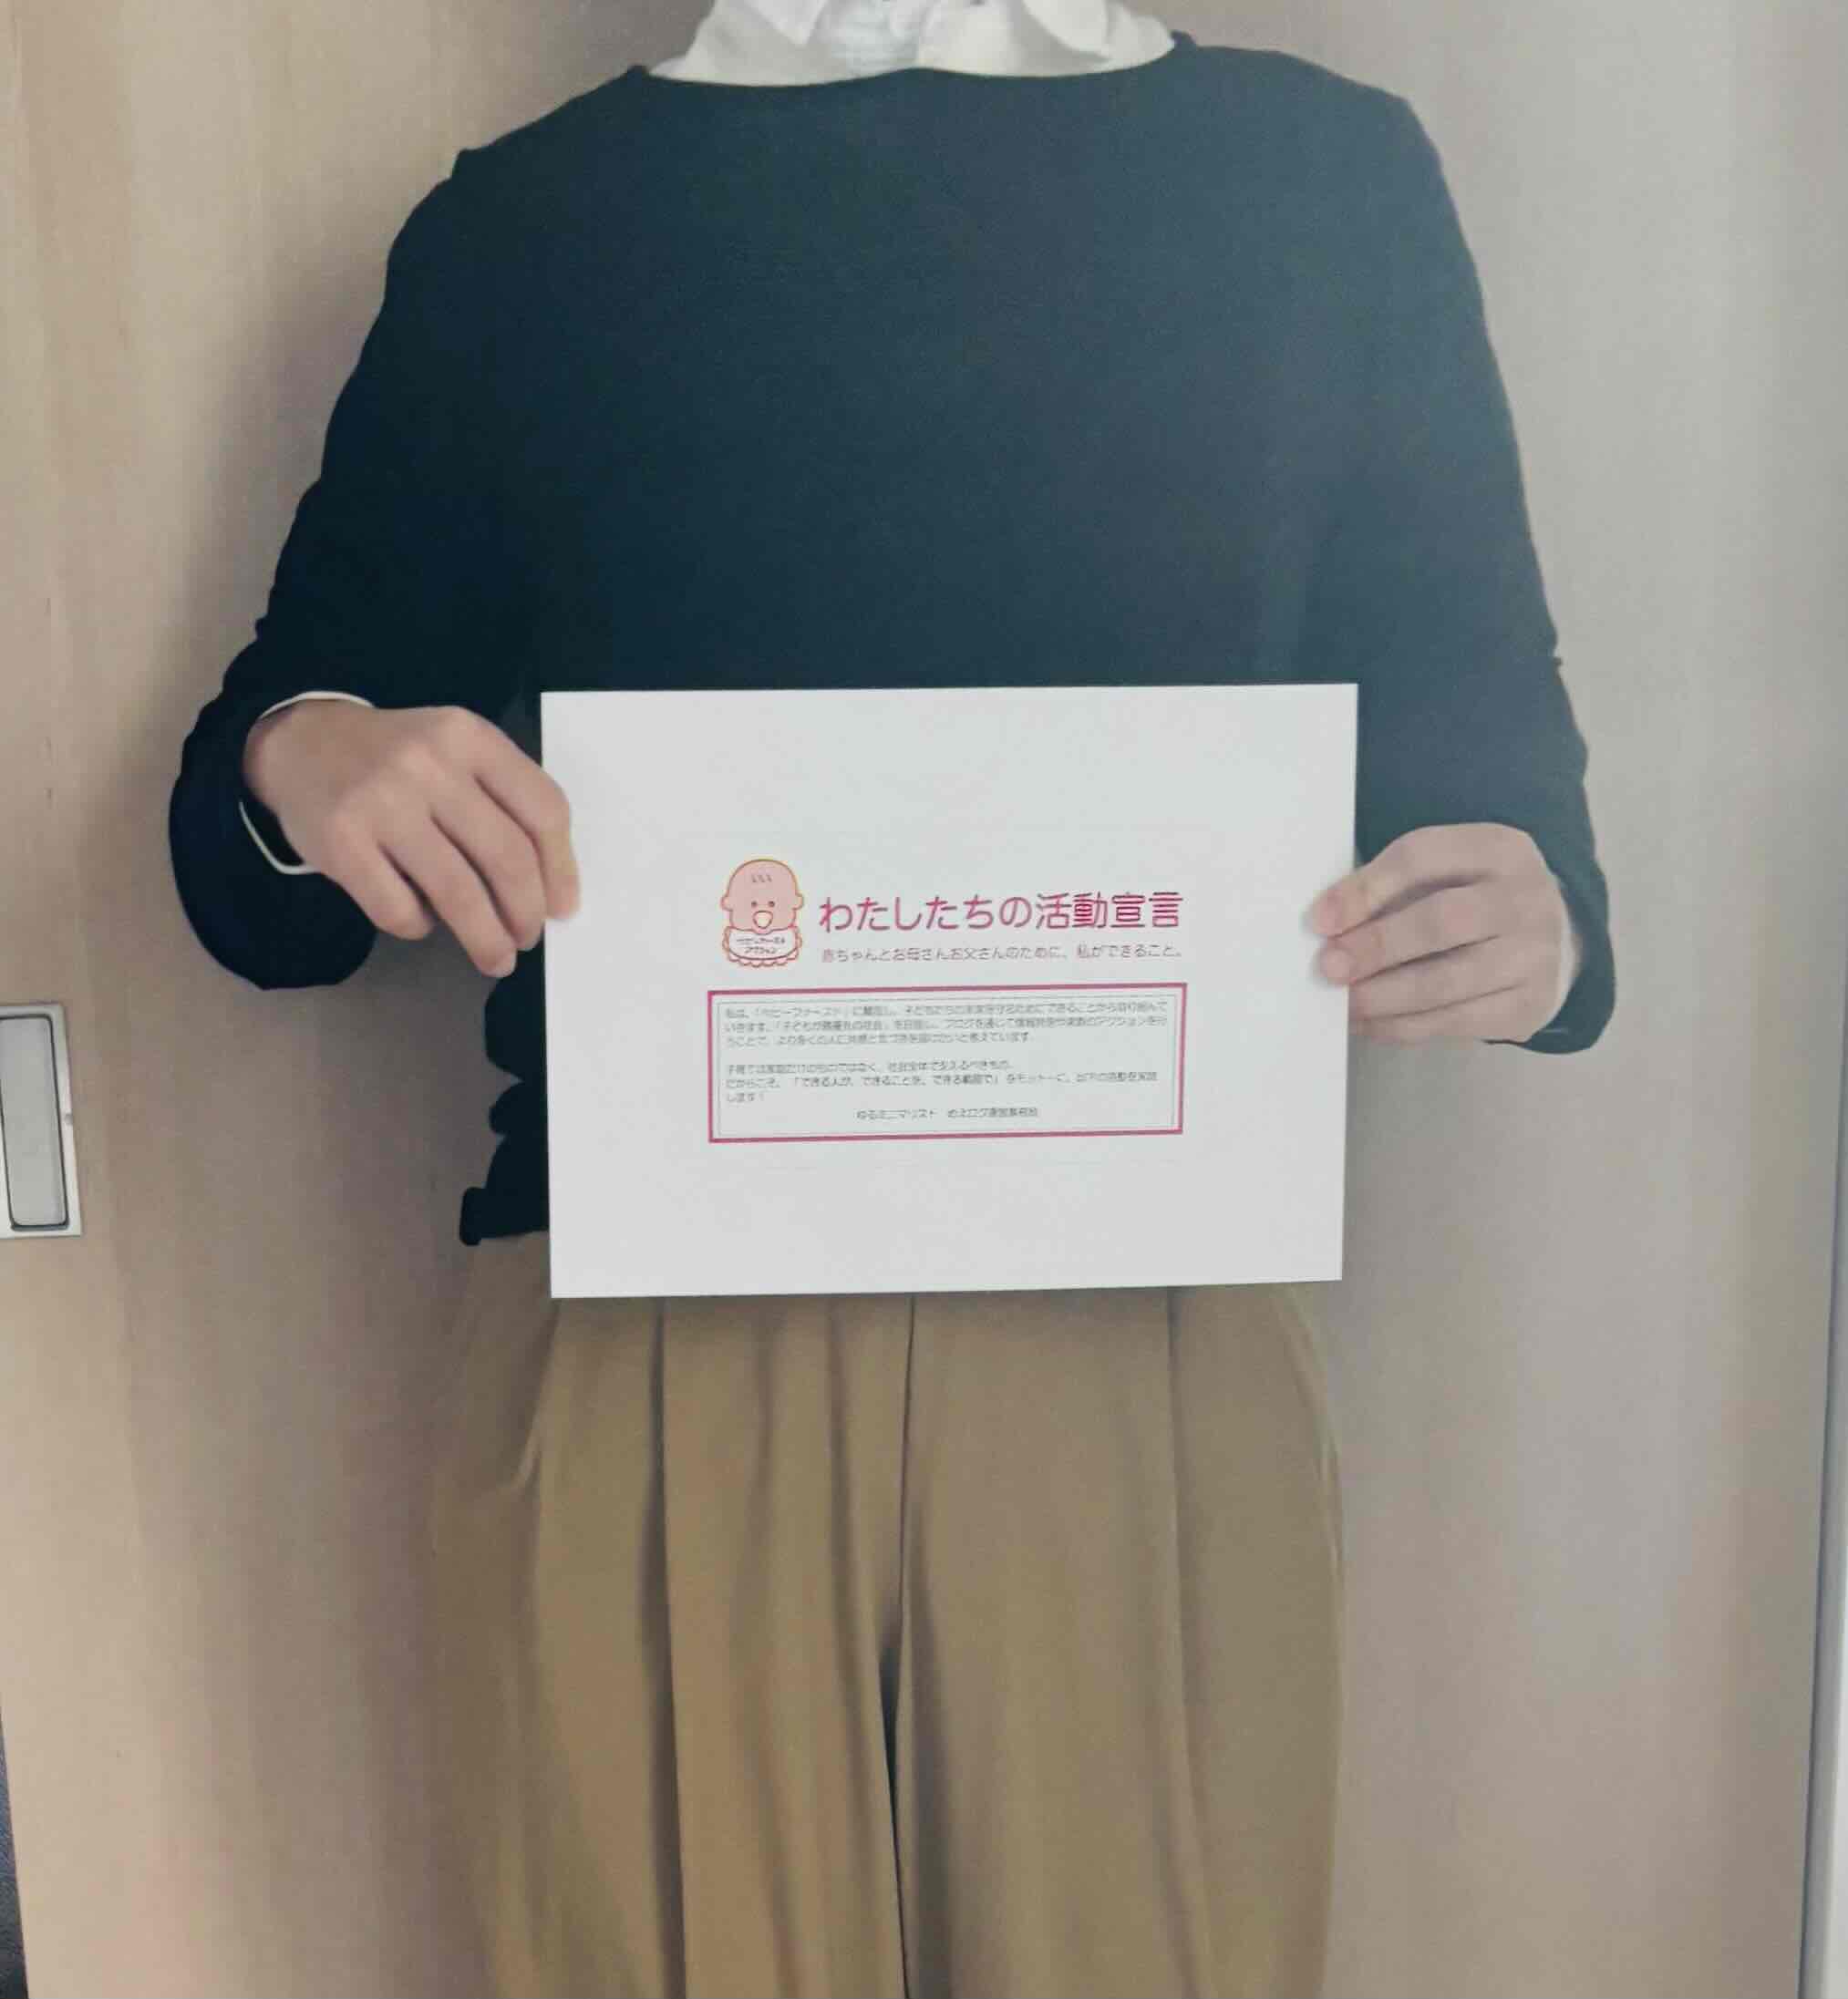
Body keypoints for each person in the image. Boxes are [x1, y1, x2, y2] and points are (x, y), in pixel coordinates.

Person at [168, 2, 1616, 1993]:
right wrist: (307, 752)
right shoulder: (528, 227)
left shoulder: (1324, 187)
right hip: (650, 1317)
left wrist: (1531, 923)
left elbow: (1487, 738)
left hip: (1149, 1308)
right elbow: (261, 879)